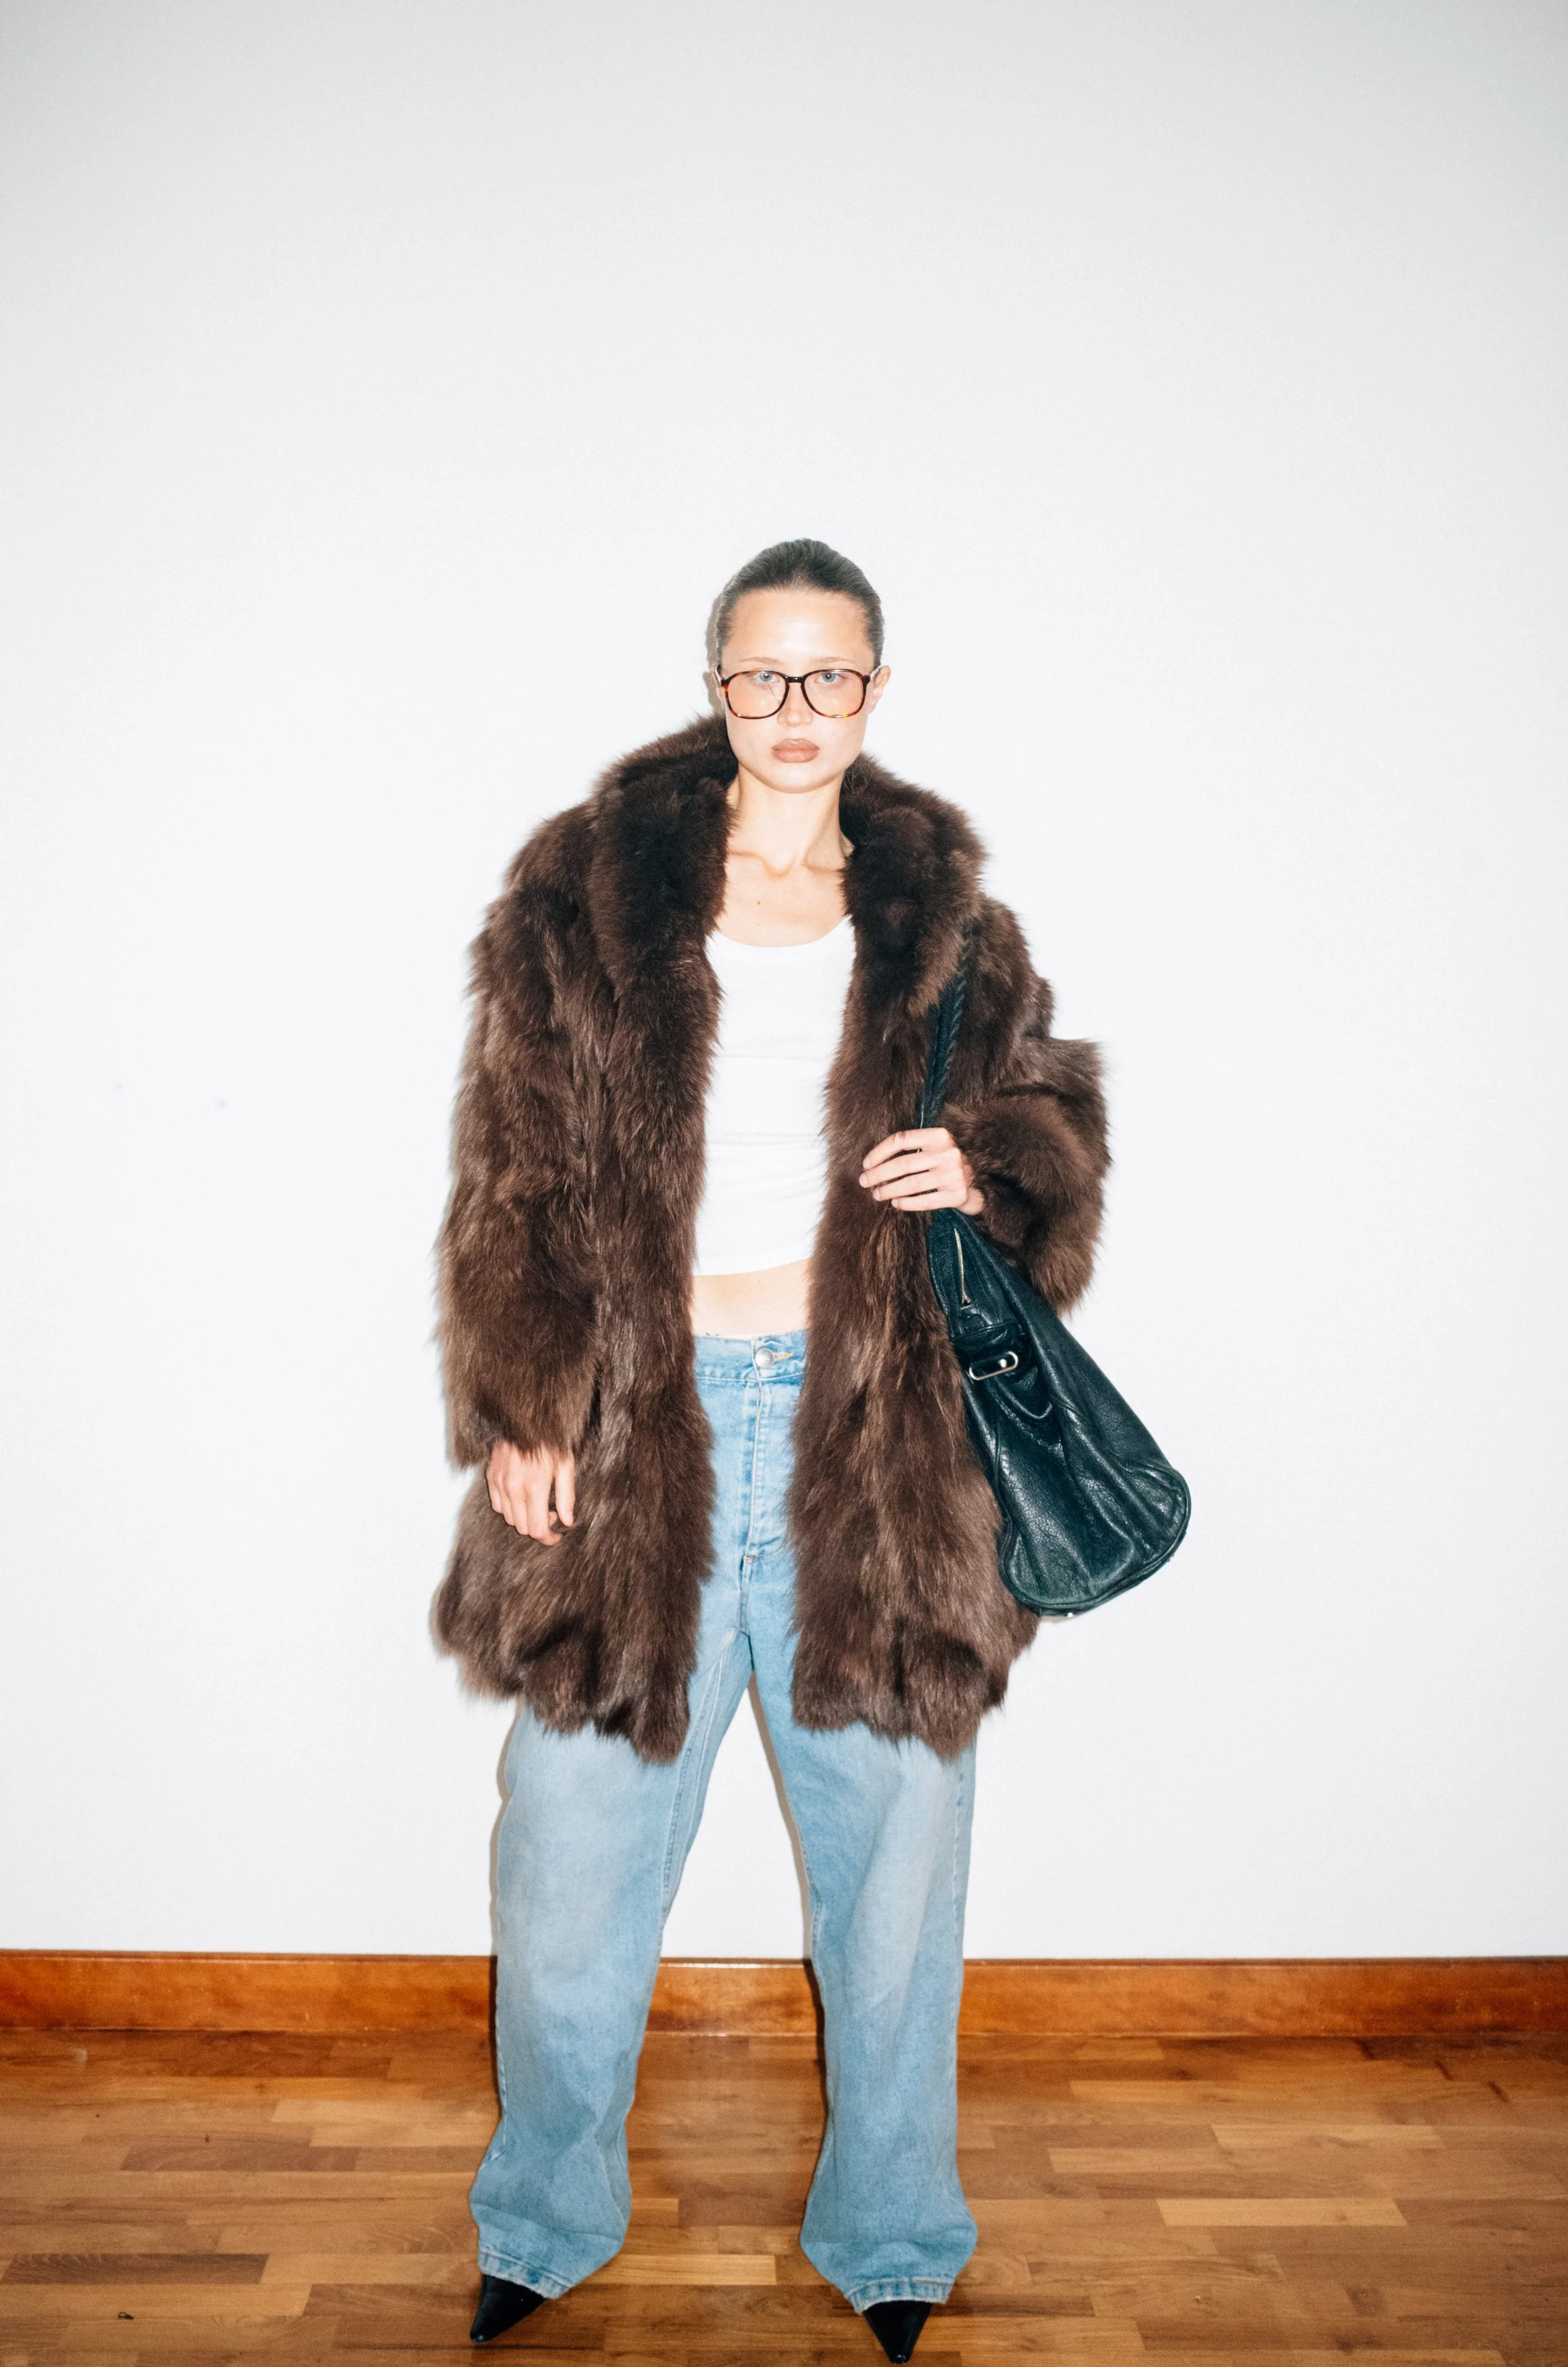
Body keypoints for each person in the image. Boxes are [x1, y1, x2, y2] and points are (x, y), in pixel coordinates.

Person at [433, 539, 1109, 2359]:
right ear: (717, 683)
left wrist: (989, 1166)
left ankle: (891, 2234)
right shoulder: (585, 899)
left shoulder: (954, 934)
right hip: (638, 1434)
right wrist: (524, 1398)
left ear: (874, 689)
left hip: (870, 1443)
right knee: (567, 1864)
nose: (794, 710)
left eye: (830, 677)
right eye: (762, 676)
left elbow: (1054, 1120)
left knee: (893, 1870)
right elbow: (513, 1170)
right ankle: (546, 2217)